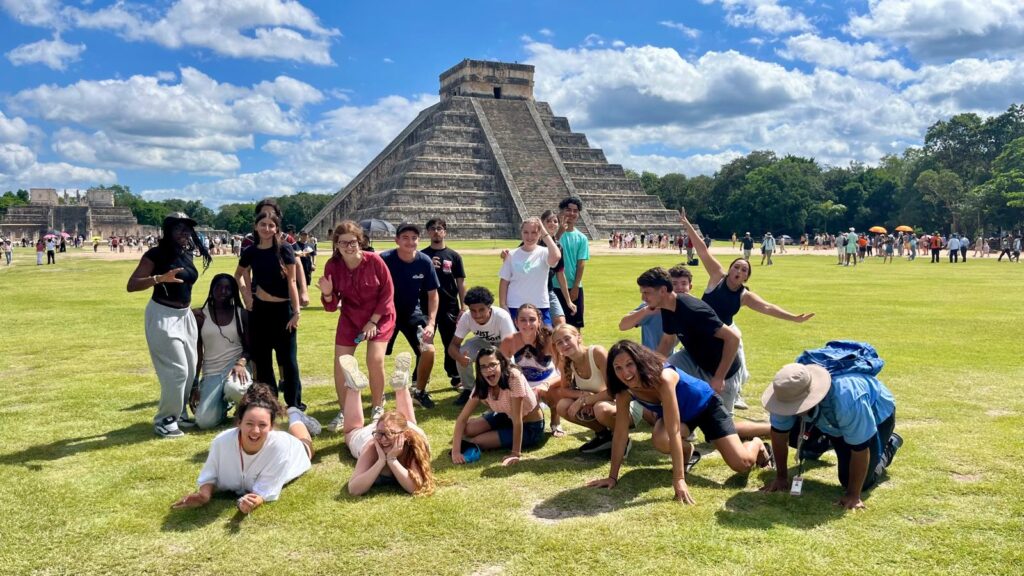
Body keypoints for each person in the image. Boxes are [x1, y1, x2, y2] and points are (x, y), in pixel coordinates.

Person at [588, 340, 772, 504]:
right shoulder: (623, 391)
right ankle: (688, 452)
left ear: (640, 362)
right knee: (660, 439)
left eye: (630, 364)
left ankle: (757, 444)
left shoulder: (663, 378)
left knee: (742, 464)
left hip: (706, 405)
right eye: (617, 367)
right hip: (682, 414)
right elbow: (620, 434)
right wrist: (612, 477)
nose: (625, 373)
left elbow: (674, 430)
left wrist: (679, 479)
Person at [679, 209, 814, 415]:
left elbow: (768, 307)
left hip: (725, 332)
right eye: (737, 267)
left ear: (746, 278)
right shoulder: (717, 276)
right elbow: (702, 250)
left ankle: (736, 392)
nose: (739, 271)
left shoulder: (744, 295)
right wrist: (687, 224)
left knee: (736, 356)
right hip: (702, 328)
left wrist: (794, 318)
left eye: (744, 270)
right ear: (730, 269)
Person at [760, 342, 903, 510]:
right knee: (792, 432)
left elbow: (860, 448)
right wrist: (781, 478)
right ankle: (822, 442)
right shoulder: (786, 390)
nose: (787, 410)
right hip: (830, 418)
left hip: (877, 416)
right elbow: (779, 433)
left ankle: (889, 444)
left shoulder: (846, 398)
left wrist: (853, 495)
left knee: (857, 481)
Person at [171, 383, 319, 514]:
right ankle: (295, 417)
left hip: (295, 451)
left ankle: (295, 416)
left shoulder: (280, 447)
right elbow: (210, 475)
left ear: (271, 427)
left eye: (262, 425)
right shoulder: (221, 443)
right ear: (239, 423)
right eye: (249, 424)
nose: (255, 431)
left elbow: (265, 490)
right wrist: (204, 495)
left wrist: (255, 501)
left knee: (306, 447)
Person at [127, 212, 212, 438]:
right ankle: (165, 419)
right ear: (168, 231)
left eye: (187, 229)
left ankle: (179, 412)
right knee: (177, 371)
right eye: (179, 229)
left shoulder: (187, 253)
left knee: (191, 367)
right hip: (163, 315)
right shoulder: (156, 254)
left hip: (184, 316)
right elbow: (132, 284)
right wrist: (158, 279)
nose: (185, 233)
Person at [318, 221, 396, 432]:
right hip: (351, 317)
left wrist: (373, 321)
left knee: (375, 358)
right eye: (343, 243)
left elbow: (387, 294)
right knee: (341, 363)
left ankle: (378, 405)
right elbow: (331, 306)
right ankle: (345, 410)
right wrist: (327, 293)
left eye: (352, 242)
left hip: (380, 316)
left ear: (360, 241)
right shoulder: (332, 266)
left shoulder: (374, 261)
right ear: (336, 244)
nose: (348, 246)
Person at [235, 212, 305, 412]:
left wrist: (297, 311)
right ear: (256, 227)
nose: (267, 229)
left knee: (289, 361)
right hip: (260, 311)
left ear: (276, 228)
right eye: (262, 224)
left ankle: (294, 404)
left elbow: (292, 281)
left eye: (271, 225)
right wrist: (247, 296)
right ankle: (269, 403)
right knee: (263, 360)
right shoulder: (251, 252)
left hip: (283, 310)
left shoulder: (284, 249)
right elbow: (238, 275)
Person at [341, 352, 436, 496]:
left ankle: (354, 389)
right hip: (390, 430)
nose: (383, 440)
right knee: (408, 421)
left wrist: (391, 460)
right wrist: (380, 461)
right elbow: (354, 489)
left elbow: (416, 487)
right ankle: (401, 386)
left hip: (411, 431)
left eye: (388, 435)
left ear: (405, 436)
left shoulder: (414, 445)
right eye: (380, 434)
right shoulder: (372, 443)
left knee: (352, 431)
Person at [552, 324, 648, 453]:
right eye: (559, 343)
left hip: (625, 405)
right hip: (598, 403)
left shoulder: (597, 352)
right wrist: (584, 395)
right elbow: (564, 390)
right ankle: (604, 436)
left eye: (567, 339)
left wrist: (585, 400)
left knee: (600, 408)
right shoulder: (565, 362)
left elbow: (615, 390)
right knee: (562, 406)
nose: (564, 344)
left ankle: (622, 438)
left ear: (578, 337)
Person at [451, 347, 545, 466]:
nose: (489, 370)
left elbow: (517, 420)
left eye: (492, 365)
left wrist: (515, 453)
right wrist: (455, 452)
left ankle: (496, 433)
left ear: (502, 363)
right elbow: (462, 419)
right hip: (506, 416)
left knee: (477, 441)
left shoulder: (513, 377)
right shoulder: (482, 382)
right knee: (467, 429)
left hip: (530, 426)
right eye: (483, 366)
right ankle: (494, 430)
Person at [381, 223, 440, 409]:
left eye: (414, 238)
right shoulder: (384, 259)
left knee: (428, 350)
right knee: (377, 355)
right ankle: (378, 395)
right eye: (405, 238)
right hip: (385, 313)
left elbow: (433, 295)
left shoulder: (424, 261)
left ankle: (420, 392)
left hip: (411, 313)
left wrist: (431, 323)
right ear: (396, 240)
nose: (410, 242)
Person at [191, 273, 251, 429]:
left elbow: (250, 348)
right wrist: (195, 385)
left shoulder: (240, 314)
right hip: (212, 372)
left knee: (235, 389)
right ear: (212, 289)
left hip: (235, 368)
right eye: (219, 287)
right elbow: (197, 352)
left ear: (233, 292)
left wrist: (241, 362)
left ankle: (241, 407)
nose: (223, 292)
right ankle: (223, 406)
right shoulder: (200, 316)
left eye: (228, 288)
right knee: (204, 422)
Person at [501, 304, 564, 436]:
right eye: (523, 320)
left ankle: (556, 422)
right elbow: (501, 370)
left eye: (532, 319)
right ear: (515, 322)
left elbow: (565, 373)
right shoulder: (509, 341)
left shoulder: (550, 340)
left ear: (539, 321)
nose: (527, 324)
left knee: (558, 392)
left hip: (547, 381)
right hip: (523, 383)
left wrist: (545, 385)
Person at [420, 217, 467, 390]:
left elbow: (460, 282)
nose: (436, 231)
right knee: (424, 342)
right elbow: (416, 280)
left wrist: (464, 306)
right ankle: (420, 377)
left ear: (445, 232)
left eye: (439, 228)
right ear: (428, 232)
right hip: (427, 306)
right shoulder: (422, 256)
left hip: (449, 305)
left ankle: (455, 376)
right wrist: (428, 267)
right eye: (432, 228)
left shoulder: (454, 256)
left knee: (451, 342)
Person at [450, 286, 517, 407]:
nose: (477, 315)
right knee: (462, 352)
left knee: (509, 366)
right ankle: (468, 390)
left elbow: (509, 347)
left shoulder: (502, 316)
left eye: (481, 310)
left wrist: (493, 361)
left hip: (504, 344)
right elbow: (453, 346)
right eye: (473, 311)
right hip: (483, 342)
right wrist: (460, 358)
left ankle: (503, 388)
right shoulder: (466, 317)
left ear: (489, 307)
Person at [498, 217, 561, 325]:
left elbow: (556, 256)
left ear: (540, 233)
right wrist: (503, 305)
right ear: (521, 233)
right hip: (515, 306)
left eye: (534, 232)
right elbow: (504, 282)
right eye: (526, 232)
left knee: (545, 339)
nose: (529, 236)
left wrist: (544, 232)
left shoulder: (545, 253)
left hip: (540, 305)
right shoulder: (511, 255)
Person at [553, 197, 589, 329]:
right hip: (554, 286)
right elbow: (547, 250)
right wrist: (559, 232)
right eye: (568, 210)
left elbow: (581, 264)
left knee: (574, 328)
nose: (572, 214)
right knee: (554, 328)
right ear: (561, 211)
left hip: (573, 286)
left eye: (575, 211)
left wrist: (575, 287)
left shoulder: (581, 238)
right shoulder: (551, 235)